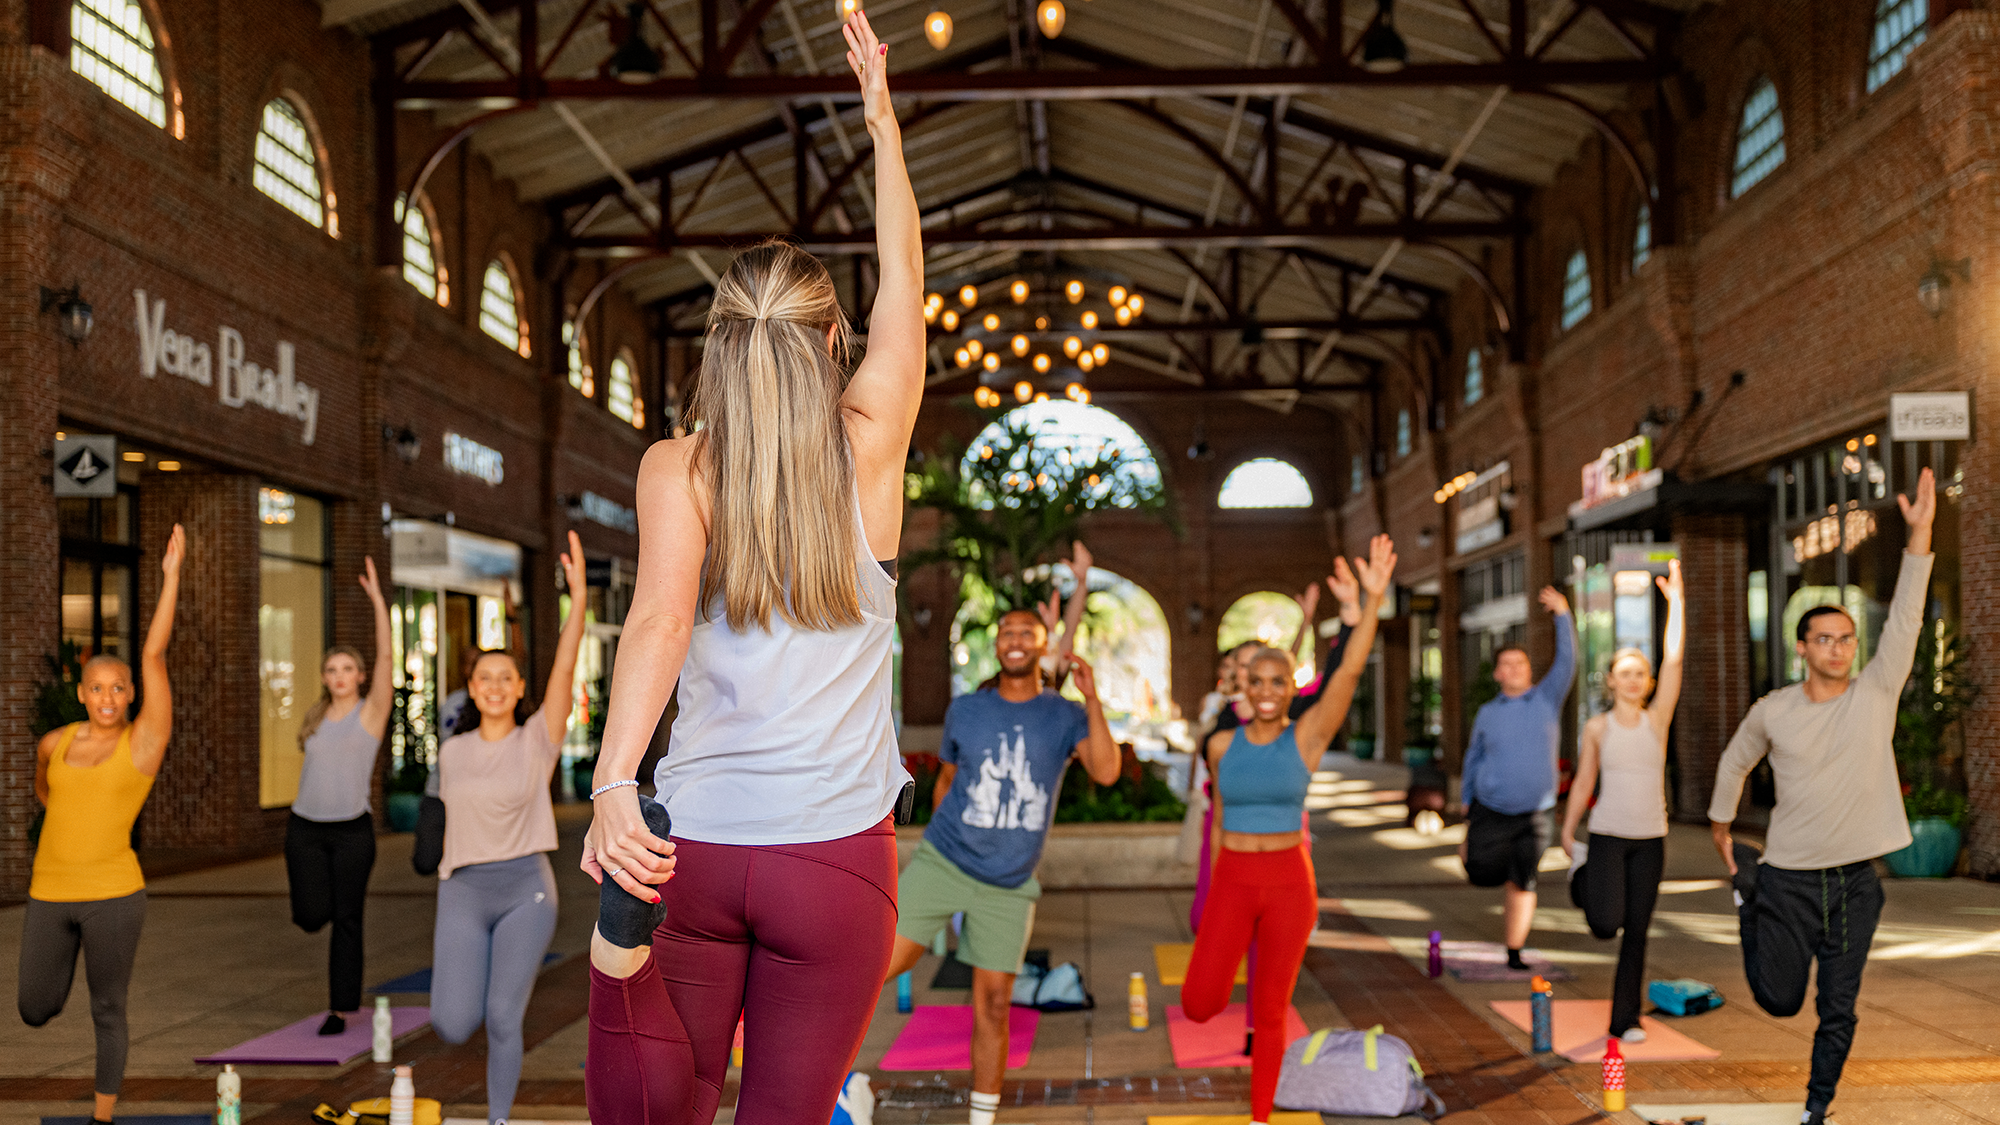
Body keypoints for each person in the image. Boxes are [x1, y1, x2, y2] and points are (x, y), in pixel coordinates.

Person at [579, 12, 925, 1125]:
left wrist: (612, 785)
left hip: (700, 845)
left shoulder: (678, 467)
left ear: (716, 340)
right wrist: (881, 130)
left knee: (671, 1103)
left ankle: (610, 972)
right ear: (827, 343)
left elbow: (657, 627)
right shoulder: (867, 444)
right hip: (833, 861)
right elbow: (902, 302)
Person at [1709, 468, 1936, 1125]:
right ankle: (1746, 896)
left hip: (1856, 886)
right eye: (1824, 638)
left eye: (1846, 638)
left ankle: (1817, 1108)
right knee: (1780, 1000)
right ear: (1803, 647)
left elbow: (1907, 616)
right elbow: (1734, 759)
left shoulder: (1876, 692)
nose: (1838, 647)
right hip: (1785, 882)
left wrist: (1920, 532)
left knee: (1839, 1004)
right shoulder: (1774, 709)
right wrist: (1723, 823)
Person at [1183, 535, 1398, 1125]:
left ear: (1289, 688)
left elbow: (1349, 671)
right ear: (1243, 688)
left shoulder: (1306, 740)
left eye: (1281, 682)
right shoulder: (1222, 744)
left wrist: (1371, 603)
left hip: (1287, 882)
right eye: (1259, 681)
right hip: (1233, 877)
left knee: (1272, 1009)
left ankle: (1261, 1118)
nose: (1270, 691)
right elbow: (1221, 817)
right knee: (1200, 1004)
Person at [883, 610, 1120, 1125]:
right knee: (876, 966)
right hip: (944, 861)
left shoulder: (1065, 714)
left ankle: (982, 1119)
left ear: (1041, 645)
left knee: (992, 1005)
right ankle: (832, 1077)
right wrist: (935, 846)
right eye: (1005, 631)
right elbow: (947, 781)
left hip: (1009, 885)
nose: (1014, 639)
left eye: (1025, 633)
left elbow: (1106, 771)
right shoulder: (967, 709)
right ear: (997, 647)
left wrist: (1093, 697)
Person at [19, 523, 185, 1125]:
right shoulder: (54, 743)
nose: (109, 697)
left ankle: (102, 1118)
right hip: (49, 892)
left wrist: (171, 578)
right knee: (34, 1008)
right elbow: (45, 792)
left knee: (107, 1008)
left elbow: (154, 653)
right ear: (82, 693)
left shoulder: (143, 744)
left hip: (114, 895)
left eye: (119, 688)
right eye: (98, 688)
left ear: (132, 693)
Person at [428, 531, 589, 1125]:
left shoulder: (537, 742)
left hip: (527, 888)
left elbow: (566, 667)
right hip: (463, 889)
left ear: (520, 689)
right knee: (450, 1022)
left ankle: (498, 1119)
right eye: (483, 678)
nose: (495, 686)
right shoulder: (453, 752)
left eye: (506, 678)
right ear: (470, 690)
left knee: (502, 1016)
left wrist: (576, 606)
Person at [1560, 559, 1684, 1043]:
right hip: (1608, 835)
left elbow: (1675, 660)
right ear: (1611, 681)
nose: (1634, 680)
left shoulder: (1658, 721)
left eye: (1641, 673)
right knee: (1604, 924)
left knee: (1636, 930)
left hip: (1651, 838)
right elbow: (1585, 778)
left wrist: (1677, 604)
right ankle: (1582, 877)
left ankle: (1625, 1018)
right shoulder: (1597, 728)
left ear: (1648, 683)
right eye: (1624, 673)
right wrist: (1568, 832)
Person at [286, 556, 396, 1036]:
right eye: (332, 669)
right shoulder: (313, 716)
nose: (339, 675)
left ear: (360, 675)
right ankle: (319, 906)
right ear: (326, 677)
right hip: (304, 829)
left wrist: (376, 601)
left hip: (352, 831)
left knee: (347, 920)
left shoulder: (370, 716)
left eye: (348, 668)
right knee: (311, 916)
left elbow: (389, 659)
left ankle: (341, 1009)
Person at [1458, 587, 1576, 971]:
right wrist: (1466, 797)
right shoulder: (1487, 713)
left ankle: (1514, 950)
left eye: (1520, 663)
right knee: (1479, 870)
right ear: (1497, 673)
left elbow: (1568, 661)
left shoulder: (1546, 699)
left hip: (1535, 814)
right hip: (1490, 808)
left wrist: (1562, 613)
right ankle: (1471, 850)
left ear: (1528, 670)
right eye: (1505, 664)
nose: (1513, 669)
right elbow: (1473, 756)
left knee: (1522, 881)